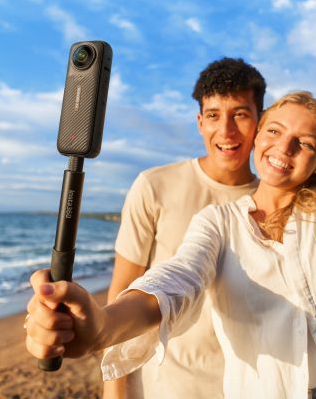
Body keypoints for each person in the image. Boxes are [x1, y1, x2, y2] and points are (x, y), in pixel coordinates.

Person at [25, 0, 316, 399]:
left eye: (302, 142)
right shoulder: (218, 221)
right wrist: (101, 327)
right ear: (256, 133)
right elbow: (171, 282)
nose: (283, 146)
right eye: (276, 131)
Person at [103, 56, 266, 399]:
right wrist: (115, 393)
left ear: (260, 121)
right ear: (199, 122)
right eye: (213, 115)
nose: (226, 131)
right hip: (167, 388)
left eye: (240, 114)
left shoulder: (275, 200)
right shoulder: (154, 185)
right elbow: (120, 296)